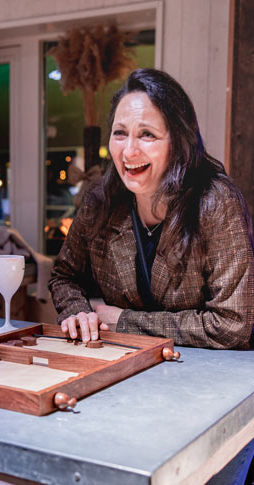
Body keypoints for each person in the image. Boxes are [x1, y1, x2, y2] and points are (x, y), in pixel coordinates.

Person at [49, 68, 254, 350]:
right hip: (119, 365)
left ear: (179, 142)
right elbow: (64, 275)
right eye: (120, 133)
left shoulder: (215, 201)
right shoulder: (100, 200)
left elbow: (233, 325)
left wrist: (124, 320)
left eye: (147, 135)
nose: (129, 151)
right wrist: (77, 311)